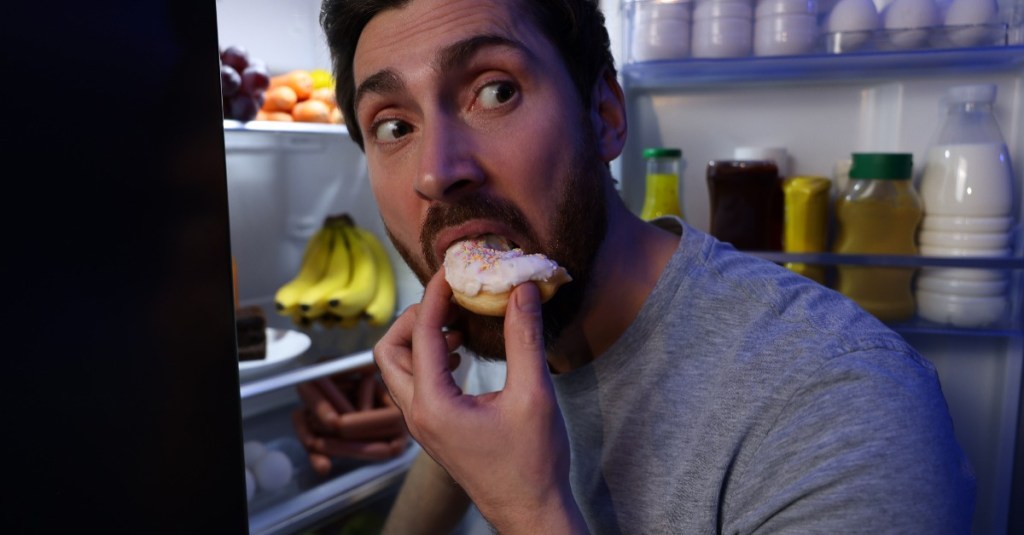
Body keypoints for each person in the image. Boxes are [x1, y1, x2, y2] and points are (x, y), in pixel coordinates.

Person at [295, 0, 977, 532]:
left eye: (495, 90)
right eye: (392, 125)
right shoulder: (505, 334)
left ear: (606, 115)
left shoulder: (843, 409)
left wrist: (530, 510)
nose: (438, 171)